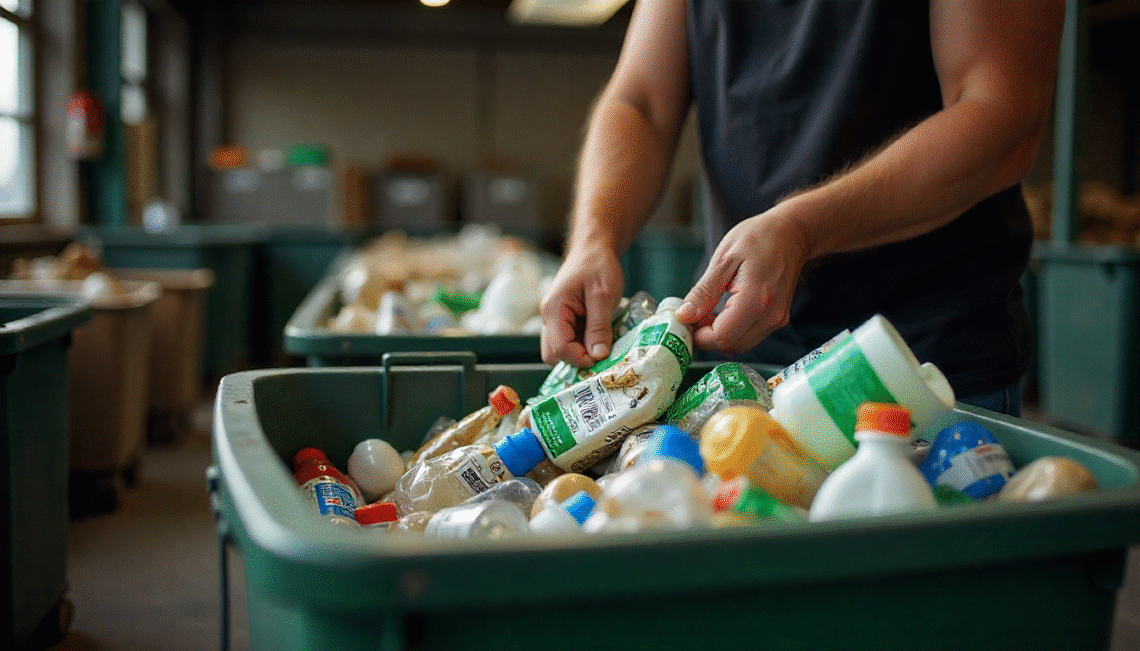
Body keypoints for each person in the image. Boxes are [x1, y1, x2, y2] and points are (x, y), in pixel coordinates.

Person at [539, 0, 1064, 416]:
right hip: (734, 379)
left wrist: (801, 228)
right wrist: (593, 239)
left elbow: (1000, 113)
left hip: (917, 372)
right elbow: (642, 102)